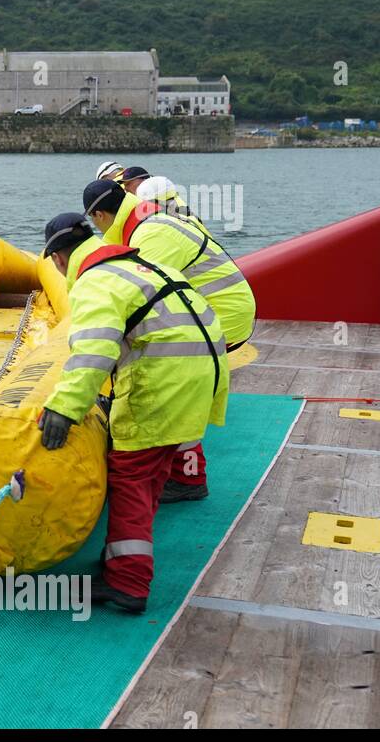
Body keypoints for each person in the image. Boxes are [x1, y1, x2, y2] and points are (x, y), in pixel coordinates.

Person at [38, 212, 228, 613]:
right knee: (153, 469)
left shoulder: (96, 281)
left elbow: (94, 349)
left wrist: (63, 408)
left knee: (130, 476)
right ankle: (123, 560)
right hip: (203, 376)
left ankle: (127, 583)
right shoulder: (141, 266)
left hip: (165, 383)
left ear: (58, 259)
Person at [83, 178, 257, 503]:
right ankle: (182, 471)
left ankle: (185, 477)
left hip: (221, 317)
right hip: (216, 311)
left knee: (167, 380)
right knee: (171, 382)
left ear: (101, 216)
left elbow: (141, 294)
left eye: (94, 221)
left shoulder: (151, 235)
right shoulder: (152, 223)